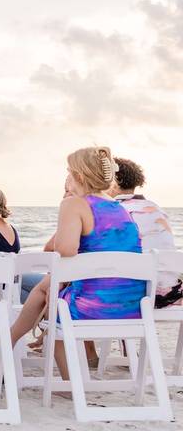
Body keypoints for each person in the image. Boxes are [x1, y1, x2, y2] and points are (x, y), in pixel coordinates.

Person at [9, 147, 146, 380]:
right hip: (132, 308)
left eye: (69, 172)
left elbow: (64, 250)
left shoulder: (75, 204)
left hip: (91, 308)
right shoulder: (120, 208)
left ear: (79, 177)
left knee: (51, 300)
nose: (67, 178)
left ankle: (64, 380)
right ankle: (8, 342)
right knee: (49, 288)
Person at [112, 157, 181, 307]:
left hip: (138, 293)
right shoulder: (156, 209)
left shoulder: (113, 210)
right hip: (170, 292)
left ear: (112, 182)